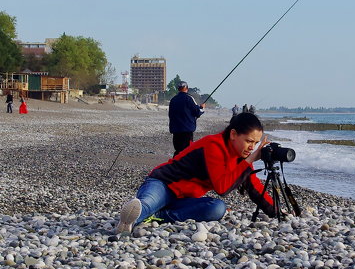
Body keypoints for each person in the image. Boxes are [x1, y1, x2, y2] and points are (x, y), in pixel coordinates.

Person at [115, 112, 277, 234]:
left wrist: (276, 211)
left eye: (256, 143)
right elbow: (222, 187)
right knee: (147, 203)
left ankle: (156, 214)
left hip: (186, 198)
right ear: (233, 134)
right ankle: (131, 220)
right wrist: (249, 161)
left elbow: (254, 186)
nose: (252, 147)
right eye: (249, 141)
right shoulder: (213, 145)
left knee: (217, 208)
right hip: (163, 184)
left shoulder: (241, 157)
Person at [168, 80, 204, 156]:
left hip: (176, 130)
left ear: (178, 89)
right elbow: (197, 112)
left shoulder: (173, 100)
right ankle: (182, 166)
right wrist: (202, 108)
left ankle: (176, 166)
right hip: (187, 130)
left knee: (178, 150)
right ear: (186, 88)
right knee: (187, 151)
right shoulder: (189, 98)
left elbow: (170, 114)